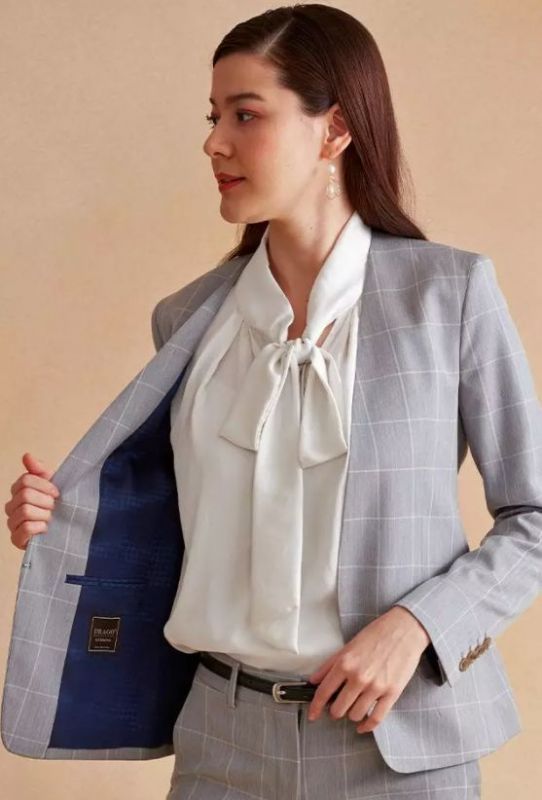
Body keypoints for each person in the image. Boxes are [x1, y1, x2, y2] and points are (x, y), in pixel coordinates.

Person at [4, 5, 541, 799]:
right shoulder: (188, 320)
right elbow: (173, 523)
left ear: (335, 131)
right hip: (221, 743)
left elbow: (534, 515)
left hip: (399, 747)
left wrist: (419, 625)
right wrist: (63, 516)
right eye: (213, 117)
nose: (214, 142)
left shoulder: (448, 296)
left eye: (246, 115)